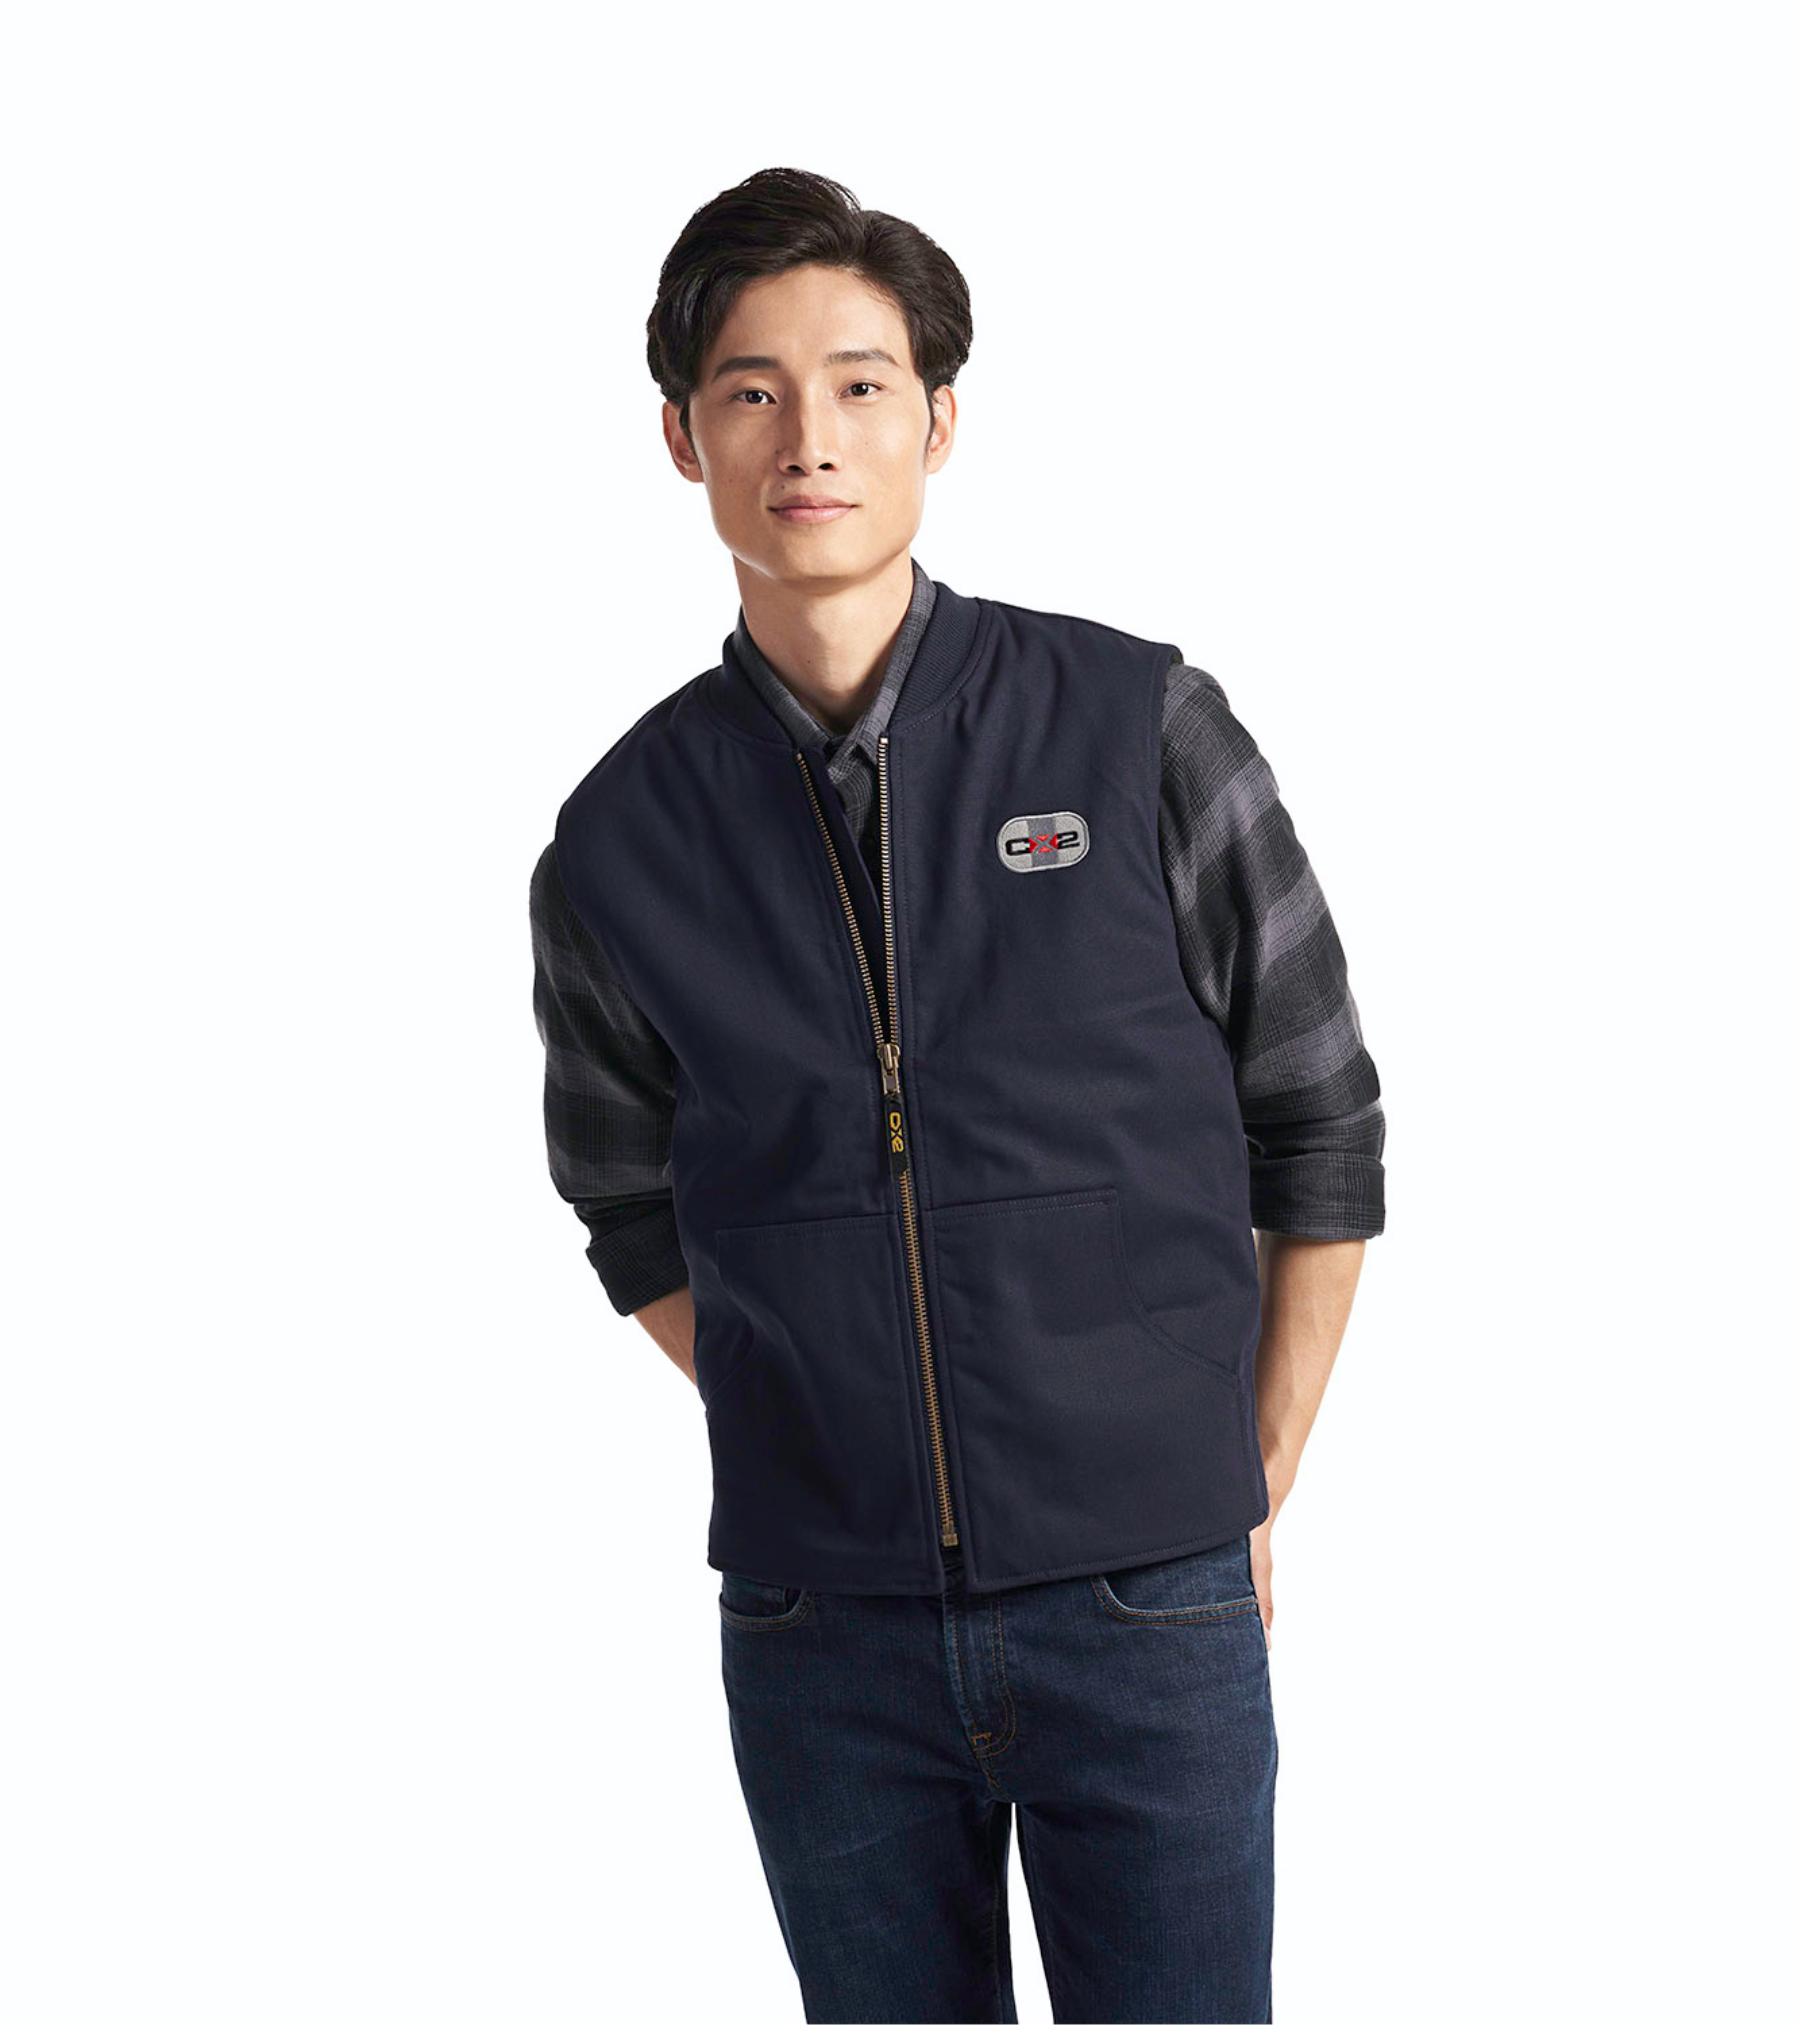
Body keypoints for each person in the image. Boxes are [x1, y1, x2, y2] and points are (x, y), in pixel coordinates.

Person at [528, 166, 1385, 2025]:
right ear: (680, 438)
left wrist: (1243, 1474)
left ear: (936, 422)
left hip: (1147, 1601)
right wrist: (832, 1405)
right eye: (752, 392)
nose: (809, 439)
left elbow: (1320, 1119)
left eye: (860, 385)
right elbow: (623, 1200)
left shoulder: (1137, 724)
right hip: (819, 1634)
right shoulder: (620, 836)